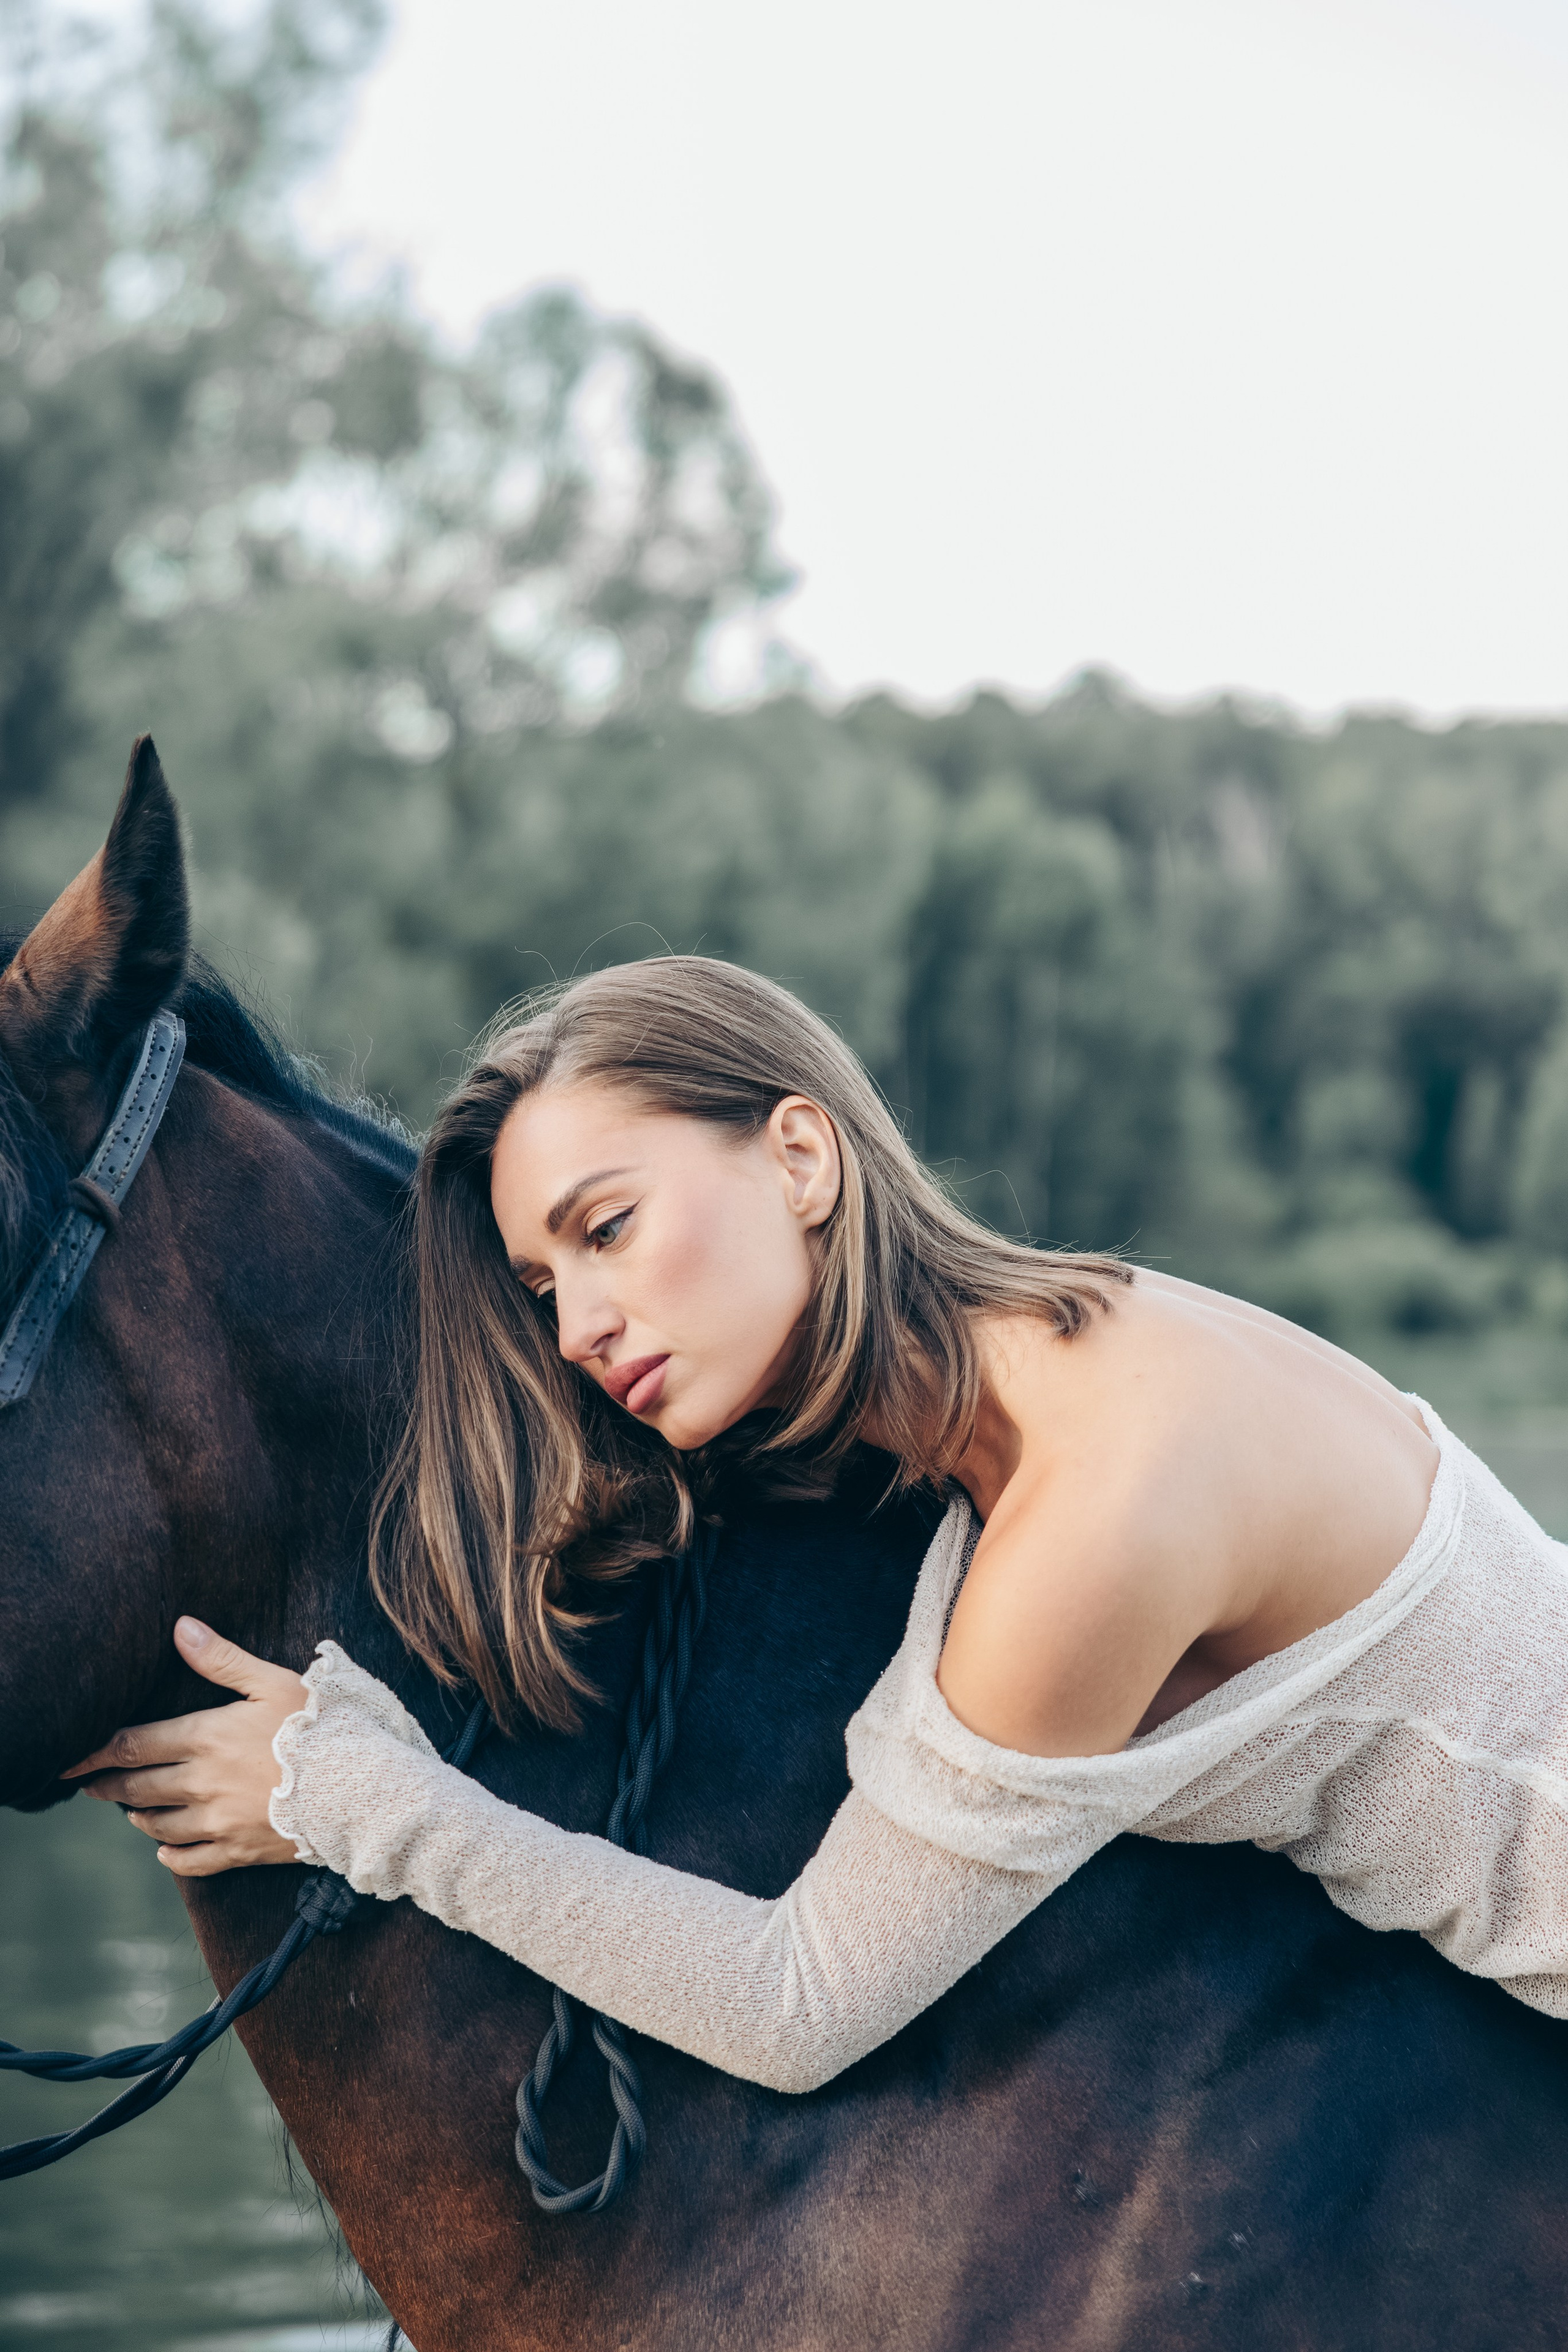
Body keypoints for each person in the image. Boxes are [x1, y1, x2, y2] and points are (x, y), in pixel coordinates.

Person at [68, 958, 1568, 2092]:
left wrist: (363, 1800)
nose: (584, 1324)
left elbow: (797, 2008)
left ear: (801, 1155)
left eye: (608, 1230)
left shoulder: (1103, 1505)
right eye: (542, 1290)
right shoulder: (1066, 1341)